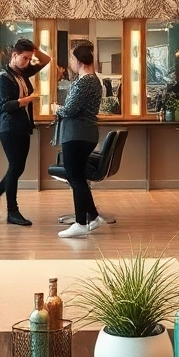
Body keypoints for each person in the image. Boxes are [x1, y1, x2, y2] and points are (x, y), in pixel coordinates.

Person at [0, 39, 52, 227]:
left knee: (17, 168)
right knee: (15, 168)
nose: (28, 62)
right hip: (9, 127)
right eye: (24, 58)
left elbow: (46, 60)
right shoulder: (3, 78)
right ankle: (12, 211)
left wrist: (35, 49)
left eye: (29, 58)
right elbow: (4, 106)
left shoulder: (22, 73)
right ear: (14, 55)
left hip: (22, 126)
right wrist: (28, 99)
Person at [54, 43, 104, 239]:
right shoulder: (94, 81)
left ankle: (80, 223)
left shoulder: (85, 82)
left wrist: (56, 108)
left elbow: (69, 110)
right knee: (79, 177)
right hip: (85, 133)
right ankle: (93, 217)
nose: (70, 64)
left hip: (77, 134)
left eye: (72, 60)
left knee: (74, 178)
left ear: (79, 61)